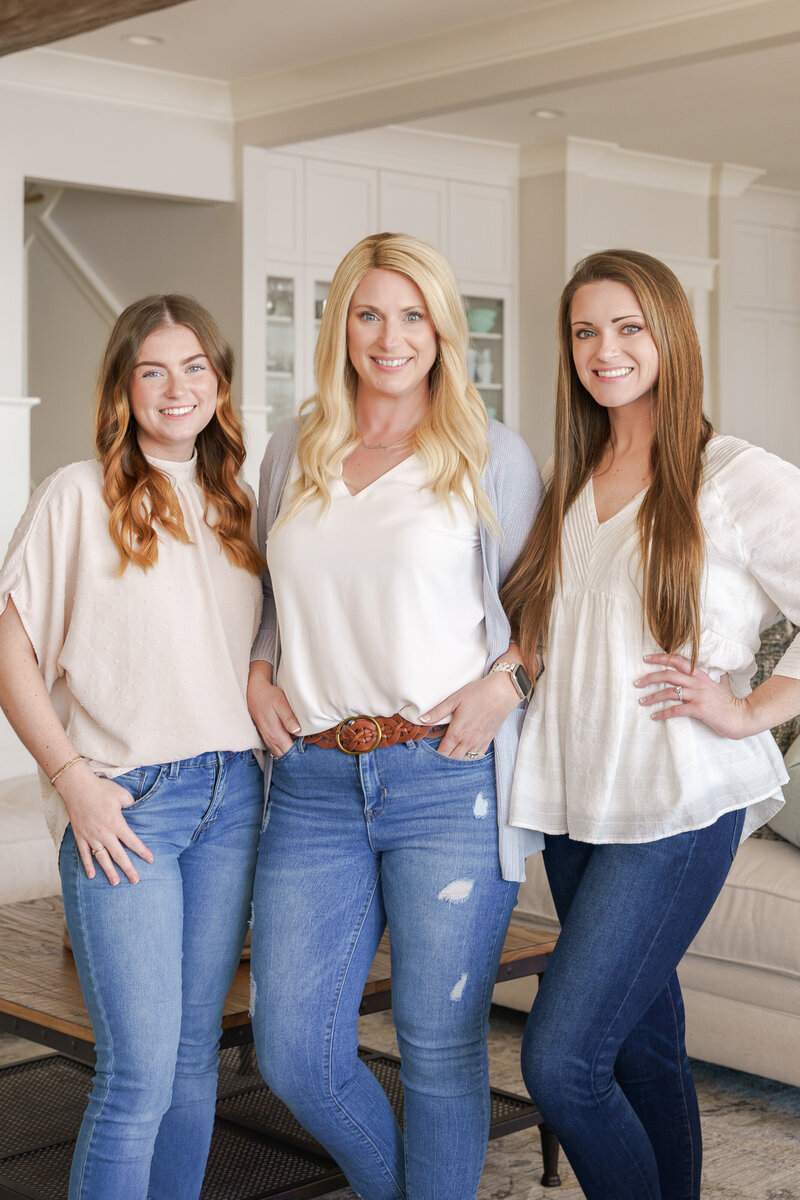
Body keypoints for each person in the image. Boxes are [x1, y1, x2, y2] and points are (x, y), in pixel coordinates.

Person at [246, 231, 544, 1200]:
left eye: (412, 314)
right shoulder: (293, 447)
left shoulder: (489, 453)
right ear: (339, 325)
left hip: (444, 779)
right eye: (368, 313)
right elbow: (259, 590)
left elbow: (547, 602)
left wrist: (505, 681)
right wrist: (256, 665)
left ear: (441, 329)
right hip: (312, 781)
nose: (389, 335)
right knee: (292, 1051)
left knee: (437, 1046)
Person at [501, 248, 800, 1200]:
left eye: (628, 327)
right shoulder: (571, 471)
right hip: (574, 798)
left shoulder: (734, 474)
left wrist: (751, 706)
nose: (605, 349)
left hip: (678, 801)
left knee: (560, 1063)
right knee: (643, 1052)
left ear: (670, 336)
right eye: (586, 331)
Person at [0, 295, 266, 1200]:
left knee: (196, 1061)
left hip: (234, 796)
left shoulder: (241, 502)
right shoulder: (77, 494)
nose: (176, 387)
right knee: (138, 1075)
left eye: (194, 367)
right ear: (123, 387)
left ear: (220, 383)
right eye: (152, 369)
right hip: (126, 803)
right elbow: (12, 651)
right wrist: (71, 780)